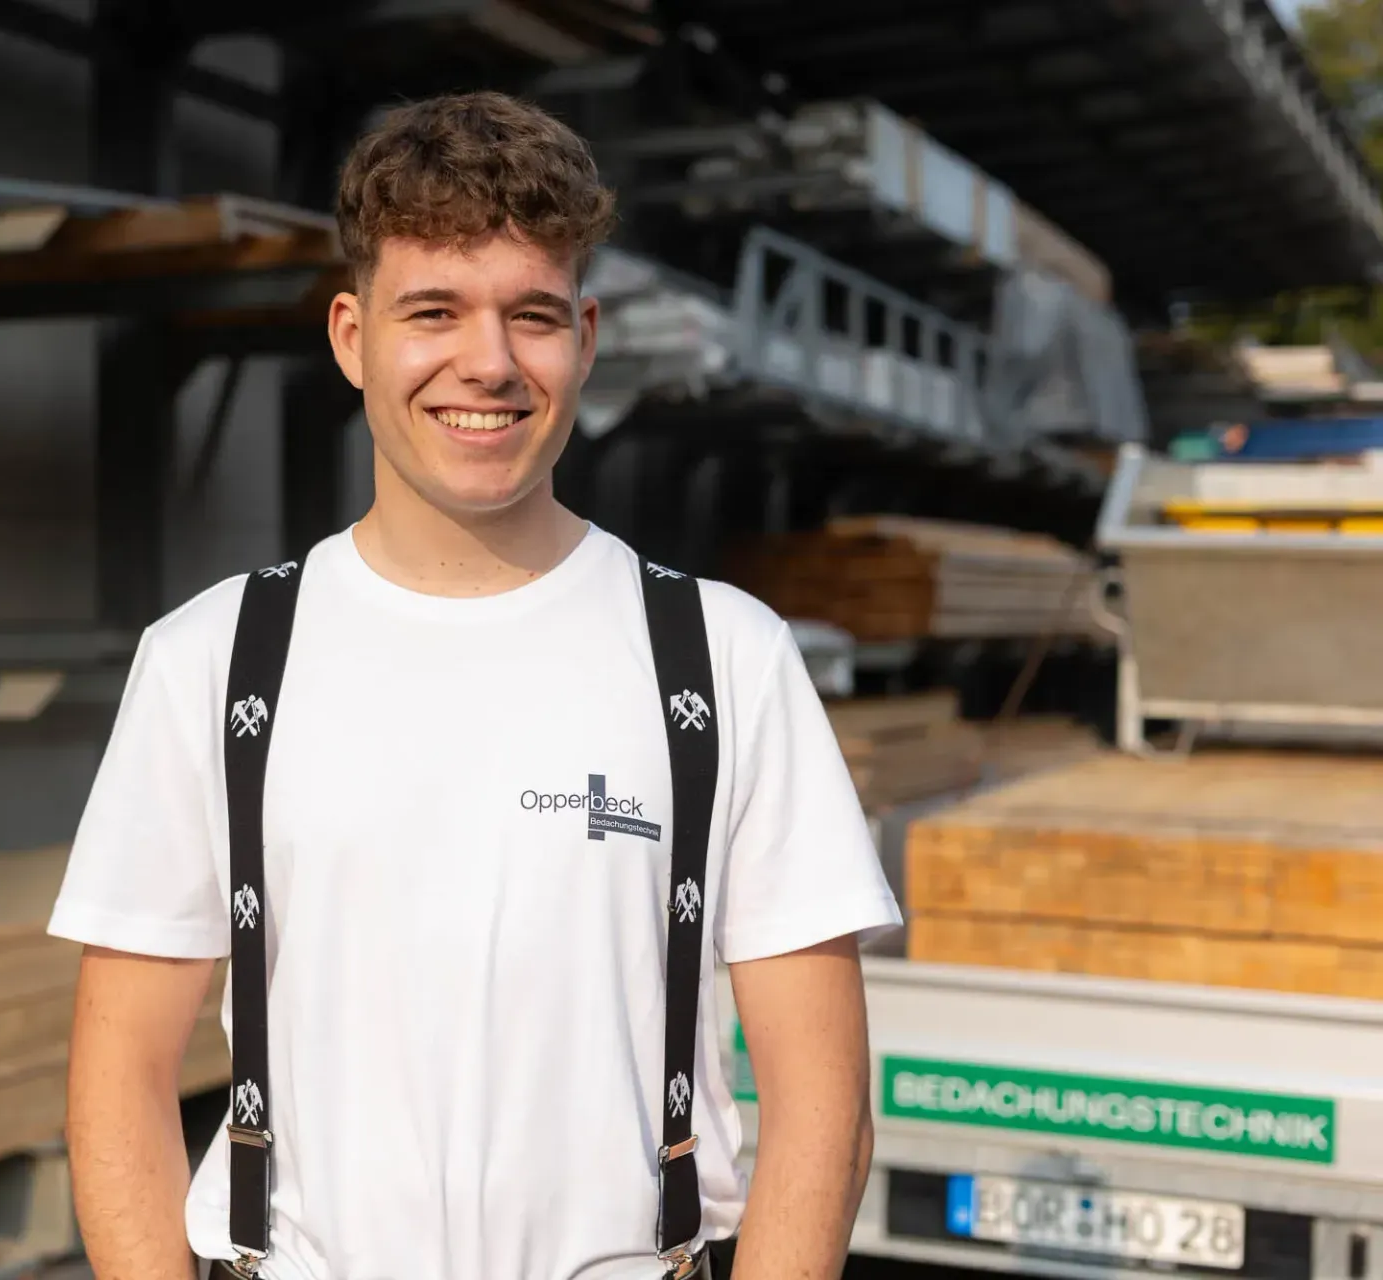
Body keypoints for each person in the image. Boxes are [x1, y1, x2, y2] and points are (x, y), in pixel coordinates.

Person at [51, 90, 902, 1280]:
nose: (488, 362)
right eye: (435, 310)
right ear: (352, 335)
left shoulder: (722, 659)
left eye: (533, 314)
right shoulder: (214, 659)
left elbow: (825, 1110)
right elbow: (119, 1077)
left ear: (587, 338)